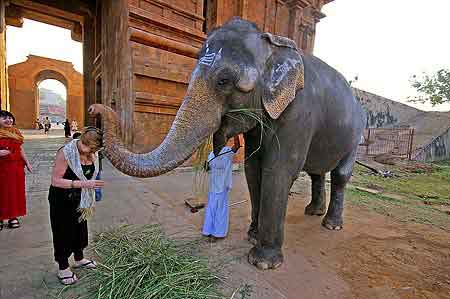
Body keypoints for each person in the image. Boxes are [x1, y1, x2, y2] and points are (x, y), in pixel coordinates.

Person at [48, 127, 105, 285]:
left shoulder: (93, 152)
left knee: (80, 229)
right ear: (82, 140)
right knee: (63, 231)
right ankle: (63, 267)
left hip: (81, 198)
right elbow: (56, 180)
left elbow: (93, 171)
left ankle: (79, 258)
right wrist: (85, 183)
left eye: (93, 149)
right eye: (88, 147)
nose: (89, 152)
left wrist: (91, 186)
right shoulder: (66, 153)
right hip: (62, 198)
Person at [202, 135, 241, 241]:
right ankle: (208, 231)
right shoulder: (211, 154)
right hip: (213, 186)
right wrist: (205, 166)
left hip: (222, 187)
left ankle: (217, 234)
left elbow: (237, 146)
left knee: (220, 210)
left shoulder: (227, 151)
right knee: (211, 208)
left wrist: (236, 134)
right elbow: (208, 168)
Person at [0, 110, 32, 230]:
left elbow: (20, 149)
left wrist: (27, 163)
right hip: (2, 168)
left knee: (15, 193)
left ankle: (13, 216)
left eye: (10, 118)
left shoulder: (16, 132)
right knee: (2, 192)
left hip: (15, 168)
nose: (9, 120)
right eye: (4, 118)